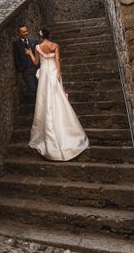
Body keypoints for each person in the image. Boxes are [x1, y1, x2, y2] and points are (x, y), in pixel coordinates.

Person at [25, 28, 89, 161]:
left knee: (44, 100)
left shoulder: (37, 47)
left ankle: (47, 131)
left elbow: (36, 63)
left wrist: (30, 53)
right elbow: (58, 61)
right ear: (49, 35)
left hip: (44, 75)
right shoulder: (55, 46)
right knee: (58, 97)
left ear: (40, 36)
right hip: (53, 72)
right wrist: (58, 75)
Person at [13, 25, 39, 94]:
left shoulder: (34, 42)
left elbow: (38, 55)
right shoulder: (16, 44)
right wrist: (20, 69)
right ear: (20, 33)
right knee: (33, 88)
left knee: (40, 88)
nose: (26, 33)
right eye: (23, 32)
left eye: (27, 31)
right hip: (26, 71)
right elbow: (16, 58)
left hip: (36, 68)